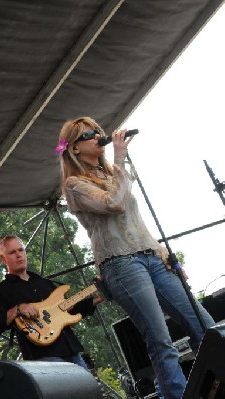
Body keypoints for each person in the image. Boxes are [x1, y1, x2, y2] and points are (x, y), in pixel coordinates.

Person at [56, 116, 215, 399]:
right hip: (121, 264)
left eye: (98, 131)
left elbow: (137, 224)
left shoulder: (113, 173)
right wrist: (119, 156)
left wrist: (166, 254)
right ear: (75, 149)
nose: (97, 136)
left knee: (204, 324)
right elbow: (113, 204)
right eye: (89, 134)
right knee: (160, 340)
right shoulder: (75, 184)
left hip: (152, 257)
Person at [0, 235, 102, 368]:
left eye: (21, 250)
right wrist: (17, 309)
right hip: (45, 357)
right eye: (12, 252)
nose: (19, 255)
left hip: (72, 350)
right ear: (3, 258)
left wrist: (96, 299)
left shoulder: (42, 282)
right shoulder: (2, 290)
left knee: (88, 389)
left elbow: (68, 310)